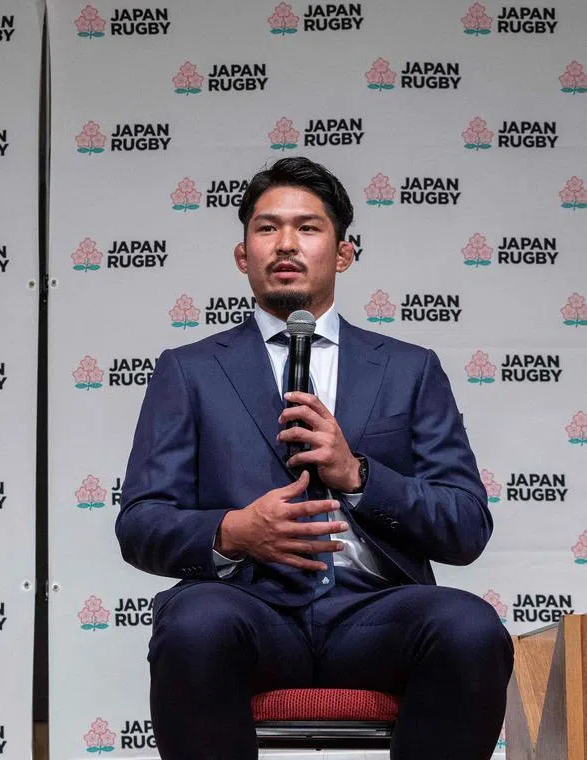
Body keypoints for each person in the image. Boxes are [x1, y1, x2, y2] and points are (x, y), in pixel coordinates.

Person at [115, 157, 512, 759]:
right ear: (242, 255)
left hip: (374, 614)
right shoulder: (189, 371)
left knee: (469, 628)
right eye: (266, 228)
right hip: (248, 610)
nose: (285, 245)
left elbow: (466, 526)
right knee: (194, 625)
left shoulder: (409, 369)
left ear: (344, 253)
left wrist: (358, 477)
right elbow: (141, 524)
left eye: (308, 227)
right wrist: (233, 531)